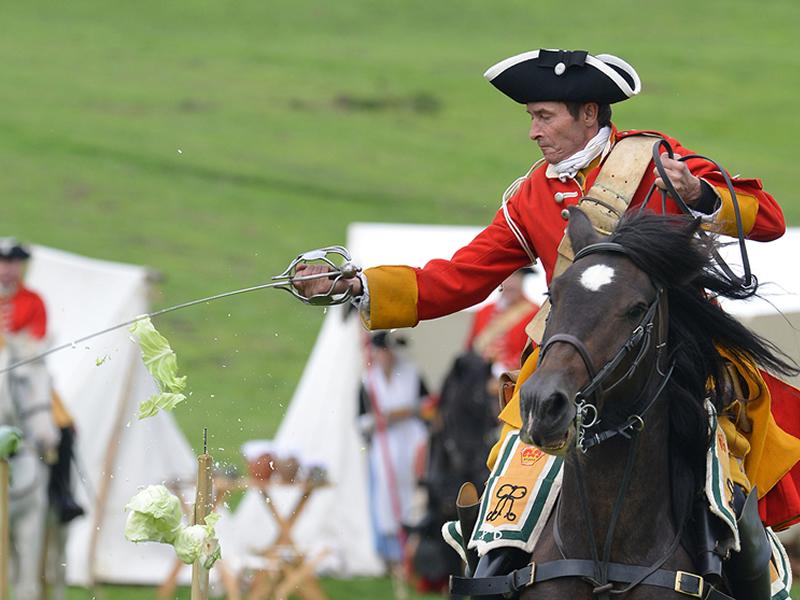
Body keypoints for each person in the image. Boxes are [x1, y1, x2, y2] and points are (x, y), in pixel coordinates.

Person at [296, 48, 798, 592]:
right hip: (566, 367)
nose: (534, 132)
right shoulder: (530, 195)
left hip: (674, 366)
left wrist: (699, 193)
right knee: (506, 484)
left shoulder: (658, 162)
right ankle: (489, 578)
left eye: (544, 116)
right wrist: (358, 284)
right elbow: (461, 276)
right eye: (531, 117)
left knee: (728, 484)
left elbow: (767, 219)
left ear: (589, 114)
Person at [0, 238, 85, 523]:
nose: (7, 269)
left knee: (63, 427)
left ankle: (61, 496)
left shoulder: (33, 301)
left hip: (25, 378)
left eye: (13, 263)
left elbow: (36, 342)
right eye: (3, 262)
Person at [358, 331, 429, 573]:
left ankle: (413, 547)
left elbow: (426, 404)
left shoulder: (411, 373)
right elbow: (362, 419)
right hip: (385, 441)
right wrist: (378, 421)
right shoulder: (369, 381)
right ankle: (391, 552)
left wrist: (402, 413)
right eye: (382, 351)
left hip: (411, 439)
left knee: (413, 490)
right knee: (386, 493)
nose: (387, 356)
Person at [465, 269, 538, 379]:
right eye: (508, 276)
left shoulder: (534, 312)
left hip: (512, 381)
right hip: (478, 379)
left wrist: (503, 372)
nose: (511, 283)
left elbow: (533, 355)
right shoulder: (484, 311)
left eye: (516, 277)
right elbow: (471, 347)